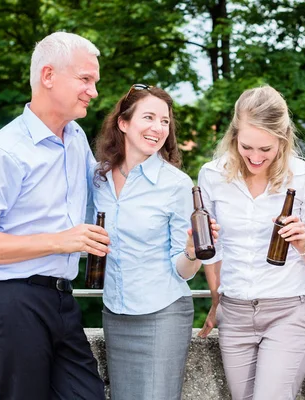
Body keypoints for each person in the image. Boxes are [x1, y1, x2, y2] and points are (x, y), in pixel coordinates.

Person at [0, 32, 107, 399]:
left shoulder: (76, 137)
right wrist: (61, 240)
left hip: (61, 300)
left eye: (95, 81)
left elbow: (106, 193)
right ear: (48, 76)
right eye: (85, 79)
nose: (94, 91)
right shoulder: (0, 153)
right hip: (11, 303)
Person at [196, 85, 305, 399]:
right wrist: (217, 303)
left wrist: (303, 244)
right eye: (247, 147)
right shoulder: (211, 176)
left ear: (282, 140)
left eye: (266, 149)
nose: (256, 157)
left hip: (288, 311)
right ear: (233, 135)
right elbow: (211, 250)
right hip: (235, 314)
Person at [90, 84, 219, 400]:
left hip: (162, 313)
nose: (158, 128)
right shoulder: (98, 178)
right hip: (115, 312)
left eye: (165, 121)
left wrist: (191, 252)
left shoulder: (175, 184)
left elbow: (183, 271)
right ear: (123, 122)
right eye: (149, 117)